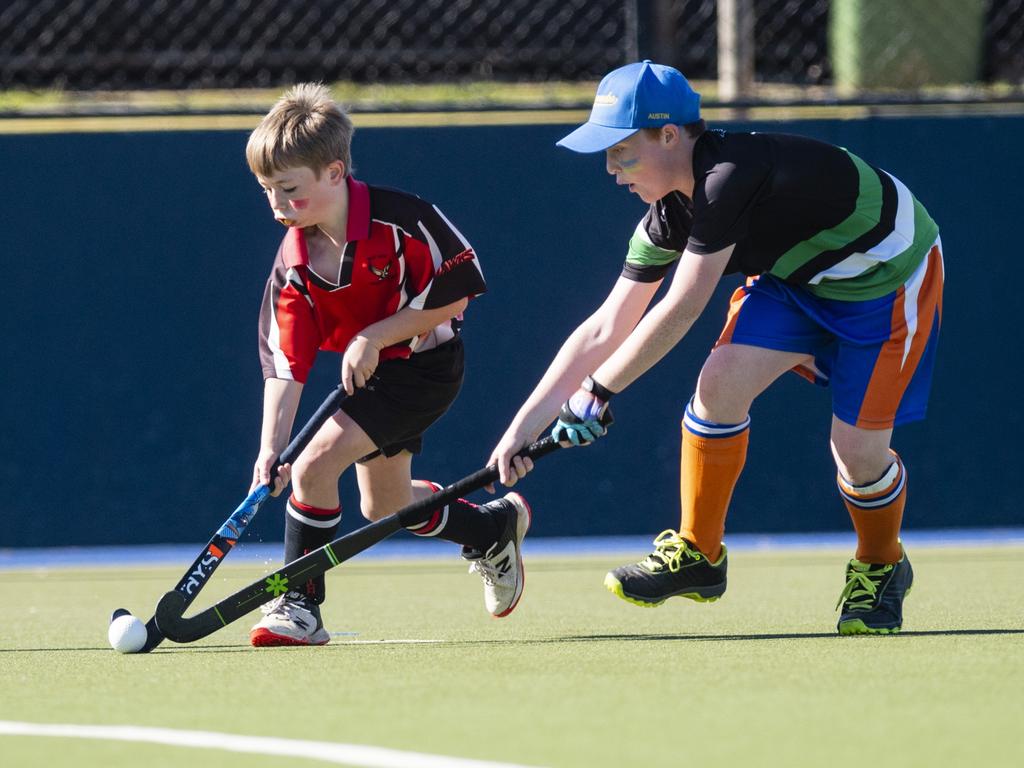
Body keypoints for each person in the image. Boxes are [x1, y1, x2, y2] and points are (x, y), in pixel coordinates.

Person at [488, 61, 942, 635]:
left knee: (856, 452)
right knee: (719, 384)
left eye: (622, 151)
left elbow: (680, 308)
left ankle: (882, 564)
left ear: (670, 135)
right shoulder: (667, 215)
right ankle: (700, 556)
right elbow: (607, 325)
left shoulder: (729, 175)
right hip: (798, 282)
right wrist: (524, 424)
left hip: (886, 279)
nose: (610, 169)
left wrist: (596, 393)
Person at [245, 83, 531, 647]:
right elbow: (286, 364)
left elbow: (458, 293)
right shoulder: (294, 263)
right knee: (385, 504)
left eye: (288, 190)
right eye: (266, 191)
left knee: (315, 467)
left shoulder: (405, 220)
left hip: (426, 367)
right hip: (372, 375)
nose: (277, 205)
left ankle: (299, 605)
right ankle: (491, 528)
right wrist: (270, 447)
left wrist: (374, 336)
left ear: (334, 172)